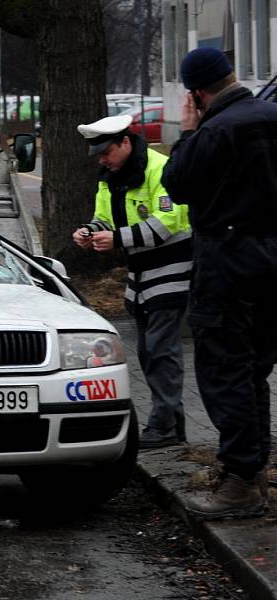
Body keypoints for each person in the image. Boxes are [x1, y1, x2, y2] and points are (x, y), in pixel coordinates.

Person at [162, 47, 277, 520]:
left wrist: (188, 132)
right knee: (254, 370)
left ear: (196, 94)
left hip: (226, 261)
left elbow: (179, 184)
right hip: (272, 258)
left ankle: (240, 483)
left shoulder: (213, 130)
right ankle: (252, 473)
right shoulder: (271, 115)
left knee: (224, 370)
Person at [72, 114, 193, 449]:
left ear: (125, 142)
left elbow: (167, 222)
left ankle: (165, 426)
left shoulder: (160, 168)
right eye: (97, 154)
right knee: (146, 351)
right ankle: (171, 423)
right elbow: (103, 217)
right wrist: (90, 232)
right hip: (140, 271)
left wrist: (117, 239)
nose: (101, 159)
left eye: (106, 152)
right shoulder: (108, 176)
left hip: (172, 267)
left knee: (160, 349)